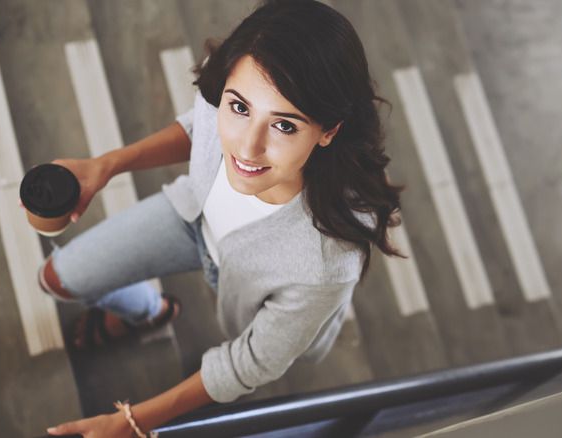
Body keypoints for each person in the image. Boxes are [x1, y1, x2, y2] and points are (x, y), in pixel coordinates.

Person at [43, 0, 402, 436]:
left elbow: (250, 362)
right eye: (239, 108)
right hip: (193, 216)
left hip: (251, 282)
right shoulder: (234, 72)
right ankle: (152, 311)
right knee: (57, 279)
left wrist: (131, 421)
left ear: (329, 130)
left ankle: (150, 313)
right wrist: (108, 165)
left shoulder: (325, 265)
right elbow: (201, 127)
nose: (246, 149)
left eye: (285, 126)